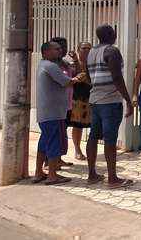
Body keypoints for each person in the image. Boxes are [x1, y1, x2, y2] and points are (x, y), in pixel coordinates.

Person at [86, 24, 134, 188]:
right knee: (110, 139)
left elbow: (88, 76)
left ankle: (92, 174)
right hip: (110, 101)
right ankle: (112, 178)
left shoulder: (91, 52)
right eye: (113, 31)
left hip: (95, 100)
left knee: (93, 136)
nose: (115, 33)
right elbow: (117, 77)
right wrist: (128, 100)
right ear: (110, 34)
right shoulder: (112, 51)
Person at [33, 41, 83, 185]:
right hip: (53, 113)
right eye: (56, 49)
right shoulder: (50, 66)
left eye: (60, 49)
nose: (60, 51)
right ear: (46, 52)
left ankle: (39, 173)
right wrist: (79, 78)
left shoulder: (45, 65)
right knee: (54, 143)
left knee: (44, 142)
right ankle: (52, 175)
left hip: (47, 112)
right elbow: (66, 82)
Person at [50, 37, 76, 167]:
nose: (63, 49)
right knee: (53, 134)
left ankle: (58, 159)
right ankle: (49, 162)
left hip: (66, 104)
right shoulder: (51, 65)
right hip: (55, 105)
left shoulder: (65, 63)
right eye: (60, 47)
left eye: (65, 46)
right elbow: (64, 81)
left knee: (62, 132)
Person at [69, 41, 92, 161]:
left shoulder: (93, 64)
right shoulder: (72, 64)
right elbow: (75, 77)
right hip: (77, 99)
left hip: (90, 98)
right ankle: (77, 150)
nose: (86, 50)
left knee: (87, 126)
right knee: (77, 126)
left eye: (89, 48)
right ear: (78, 50)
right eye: (84, 48)